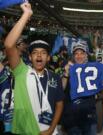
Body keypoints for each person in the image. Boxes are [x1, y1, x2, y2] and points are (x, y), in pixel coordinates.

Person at [4, 2, 64, 135]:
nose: (39, 55)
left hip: (48, 130)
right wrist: (26, 15)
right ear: (30, 57)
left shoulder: (55, 77)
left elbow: (59, 105)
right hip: (24, 130)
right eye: (35, 52)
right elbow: (9, 45)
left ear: (48, 58)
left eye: (43, 53)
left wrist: (51, 129)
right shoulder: (22, 71)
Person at [62, 41, 103, 135]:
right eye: (76, 53)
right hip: (72, 118)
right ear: (73, 56)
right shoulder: (68, 69)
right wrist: (66, 74)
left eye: (82, 53)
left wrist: (99, 89)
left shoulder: (92, 71)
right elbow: (61, 89)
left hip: (89, 116)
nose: (79, 56)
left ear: (86, 55)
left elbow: (101, 94)